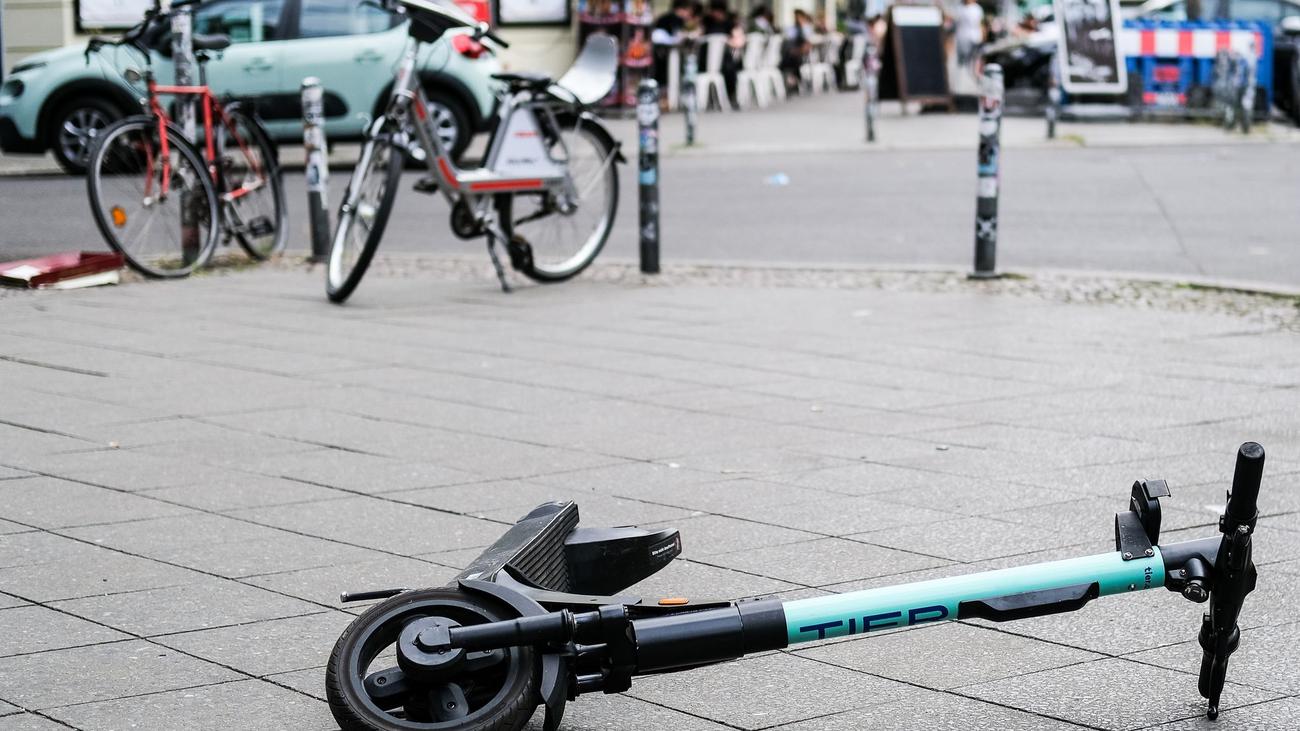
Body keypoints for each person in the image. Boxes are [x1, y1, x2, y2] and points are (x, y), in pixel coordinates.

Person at [652, 0, 696, 93]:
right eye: (688, 11)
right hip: (664, 57)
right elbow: (677, 38)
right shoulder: (674, 19)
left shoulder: (665, 18)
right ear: (681, 9)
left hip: (660, 57)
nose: (689, 14)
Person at [954, 0, 985, 69]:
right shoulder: (959, 8)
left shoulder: (978, 9)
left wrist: (983, 38)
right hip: (961, 40)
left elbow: (981, 24)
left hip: (975, 39)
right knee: (962, 64)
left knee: (973, 62)